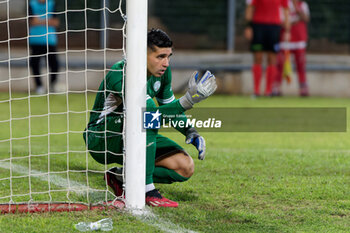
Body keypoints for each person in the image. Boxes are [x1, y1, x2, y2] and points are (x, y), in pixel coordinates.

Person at [83, 29, 217, 207]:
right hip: (102, 138)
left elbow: (167, 106)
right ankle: (147, 190)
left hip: (132, 132)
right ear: (141, 54)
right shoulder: (121, 74)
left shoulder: (162, 74)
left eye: (169, 56)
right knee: (147, 119)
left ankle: (120, 176)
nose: (166, 63)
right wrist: (187, 101)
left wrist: (189, 130)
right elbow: (149, 115)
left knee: (184, 166)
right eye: (160, 56)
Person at [245, 0, 290, 97]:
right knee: (258, 57)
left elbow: (286, 10)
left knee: (272, 58)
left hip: (274, 27)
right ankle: (256, 90)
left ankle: (268, 91)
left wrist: (287, 30)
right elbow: (250, 7)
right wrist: (248, 27)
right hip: (258, 26)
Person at [274, 0, 310, 96]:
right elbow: (281, 20)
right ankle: (276, 87)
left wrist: (297, 9)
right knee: (280, 63)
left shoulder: (302, 5)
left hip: (299, 39)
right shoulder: (283, 4)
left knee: (301, 64)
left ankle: (303, 88)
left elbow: (306, 18)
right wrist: (290, 24)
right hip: (285, 39)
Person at [28, 0, 60, 94]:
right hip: (35, 40)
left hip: (50, 40)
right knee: (35, 64)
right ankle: (39, 86)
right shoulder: (32, 4)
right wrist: (48, 20)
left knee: (54, 64)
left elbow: (56, 22)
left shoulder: (51, 4)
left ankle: (53, 85)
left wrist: (40, 20)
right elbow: (32, 22)